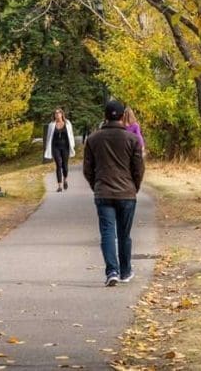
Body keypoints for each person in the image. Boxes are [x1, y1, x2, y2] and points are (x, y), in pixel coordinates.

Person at [83, 100, 145, 287]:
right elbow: (138, 168)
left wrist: (97, 186)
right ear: (122, 116)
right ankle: (125, 271)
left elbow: (88, 169)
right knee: (124, 234)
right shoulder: (132, 140)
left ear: (105, 116)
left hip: (103, 192)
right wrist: (134, 186)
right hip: (126, 193)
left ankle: (112, 271)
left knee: (108, 232)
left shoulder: (93, 139)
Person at [43, 107, 75, 192]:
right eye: (56, 113)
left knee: (65, 165)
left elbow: (71, 135)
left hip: (65, 147)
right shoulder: (51, 125)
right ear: (54, 115)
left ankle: (65, 180)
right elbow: (49, 137)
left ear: (62, 114)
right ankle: (59, 186)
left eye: (59, 113)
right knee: (58, 165)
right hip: (55, 147)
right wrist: (47, 147)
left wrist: (72, 145)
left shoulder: (67, 123)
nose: (57, 114)